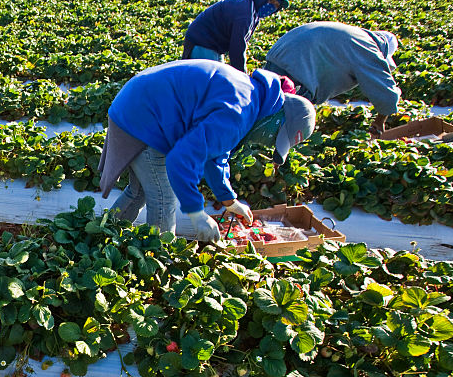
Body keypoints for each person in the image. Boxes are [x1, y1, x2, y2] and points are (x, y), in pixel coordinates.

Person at [97, 60, 316, 243]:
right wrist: (196, 213)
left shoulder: (251, 97)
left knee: (139, 191)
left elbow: (216, 153)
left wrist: (229, 200)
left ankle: (104, 235)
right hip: (144, 117)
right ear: (278, 118)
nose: (268, 144)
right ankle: (158, 258)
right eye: (274, 136)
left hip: (136, 103)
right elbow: (180, 160)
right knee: (164, 198)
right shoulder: (239, 112)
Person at [264, 21, 401, 135]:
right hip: (299, 68)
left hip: (280, 54)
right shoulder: (368, 47)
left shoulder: (355, 34)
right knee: (287, 117)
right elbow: (386, 91)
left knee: (265, 102)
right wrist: (380, 120)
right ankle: (273, 151)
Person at [182, 0, 290, 73]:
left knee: (218, 80)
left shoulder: (251, 10)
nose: (272, 7)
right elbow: (237, 47)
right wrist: (242, 76)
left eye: (276, 6)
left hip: (213, 46)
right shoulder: (245, 13)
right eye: (271, 1)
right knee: (207, 84)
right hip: (202, 43)